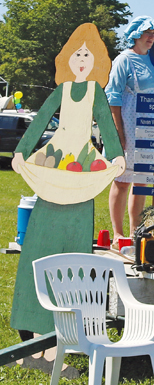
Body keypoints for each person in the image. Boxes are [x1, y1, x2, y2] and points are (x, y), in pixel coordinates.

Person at [11, 23, 125, 334]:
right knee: (38, 243)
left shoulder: (95, 93)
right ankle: (28, 322)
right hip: (56, 162)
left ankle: (64, 331)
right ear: (67, 58)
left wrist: (115, 157)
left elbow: (105, 124)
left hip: (82, 167)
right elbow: (39, 123)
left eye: (88, 54)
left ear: (97, 61)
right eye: (77, 53)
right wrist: (22, 151)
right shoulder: (61, 91)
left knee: (73, 249)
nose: (82, 59)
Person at [105, 16, 154, 247]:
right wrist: (117, 133)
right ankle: (118, 233)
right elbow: (113, 97)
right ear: (135, 34)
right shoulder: (124, 60)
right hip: (129, 122)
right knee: (122, 180)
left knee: (142, 181)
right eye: (146, 33)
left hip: (152, 126)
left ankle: (136, 232)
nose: (151, 37)